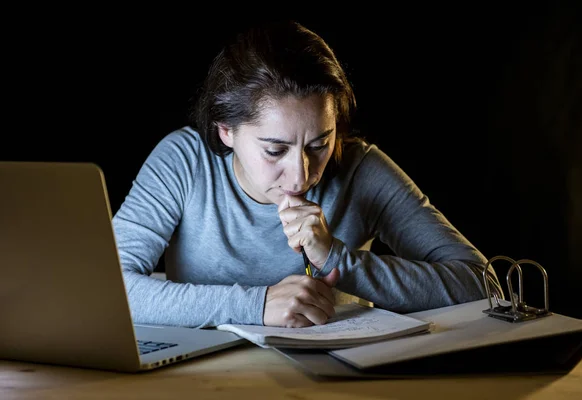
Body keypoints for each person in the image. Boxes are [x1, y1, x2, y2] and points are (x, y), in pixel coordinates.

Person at [112, 20, 503, 329]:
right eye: (274, 150)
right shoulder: (183, 161)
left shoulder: (361, 169)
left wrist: (337, 258)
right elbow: (107, 289)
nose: (300, 178)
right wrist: (259, 304)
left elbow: (481, 285)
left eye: (319, 145)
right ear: (225, 131)